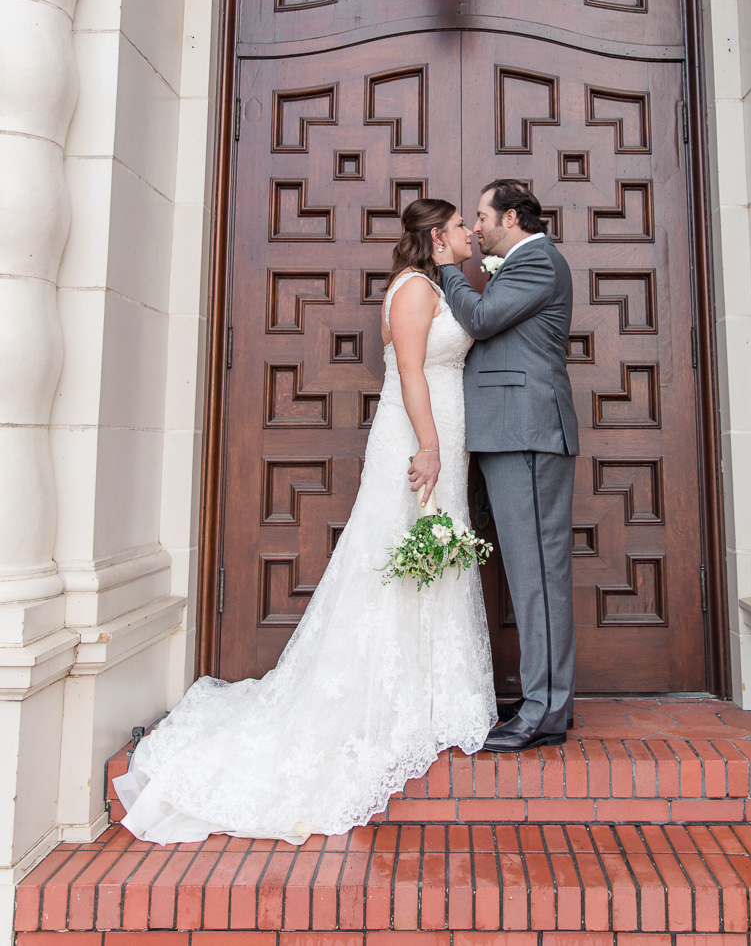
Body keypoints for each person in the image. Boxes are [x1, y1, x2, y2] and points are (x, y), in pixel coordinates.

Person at [114, 198, 495, 845]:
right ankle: (390, 693)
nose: (469, 234)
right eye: (460, 226)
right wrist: (428, 445)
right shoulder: (411, 291)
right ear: (437, 236)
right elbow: (408, 371)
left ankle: (437, 692)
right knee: (397, 552)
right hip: (417, 438)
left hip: (445, 437)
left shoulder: (436, 285)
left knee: (437, 553)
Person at [435, 180, 578, 752]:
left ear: (512, 217)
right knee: (530, 574)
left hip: (528, 433)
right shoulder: (517, 262)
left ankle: (544, 710)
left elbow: (484, 319)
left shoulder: (538, 259)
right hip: (510, 432)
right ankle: (549, 700)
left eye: (482, 215)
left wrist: (448, 270)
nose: (474, 226)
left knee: (538, 576)